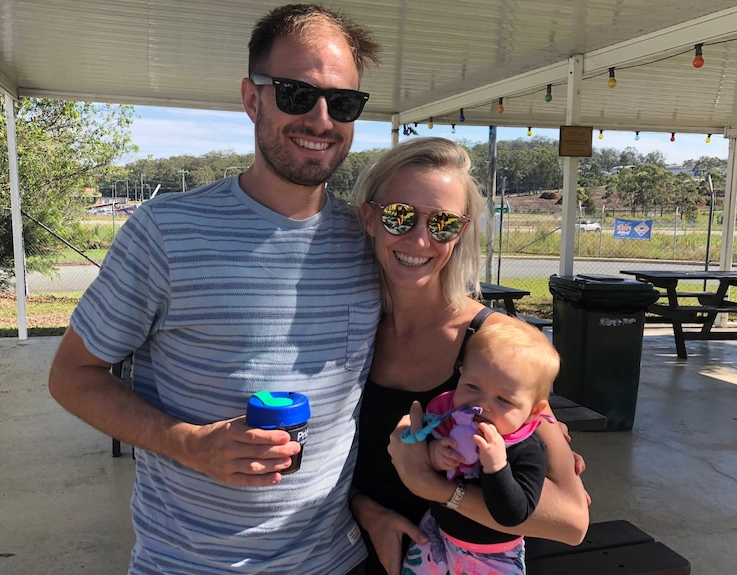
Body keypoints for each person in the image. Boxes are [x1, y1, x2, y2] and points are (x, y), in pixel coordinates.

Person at [48, 4, 381, 574]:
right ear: (252, 99)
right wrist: (188, 443)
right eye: (297, 94)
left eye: (343, 102)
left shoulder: (367, 237)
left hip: (336, 561)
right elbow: (72, 377)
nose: (322, 119)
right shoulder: (166, 232)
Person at [349, 137, 589, 575]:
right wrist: (367, 510)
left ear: (459, 233)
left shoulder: (496, 346)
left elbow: (571, 521)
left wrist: (434, 488)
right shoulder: (351, 330)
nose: (420, 239)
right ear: (370, 218)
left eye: (442, 223)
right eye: (400, 216)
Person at [402, 320, 560, 575]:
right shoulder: (449, 422)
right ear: (461, 375)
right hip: (436, 536)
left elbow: (514, 514)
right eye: (472, 387)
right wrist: (435, 455)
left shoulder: (526, 448)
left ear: (533, 412)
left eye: (503, 399)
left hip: (493, 557)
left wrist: (496, 466)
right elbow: (426, 460)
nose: (482, 404)